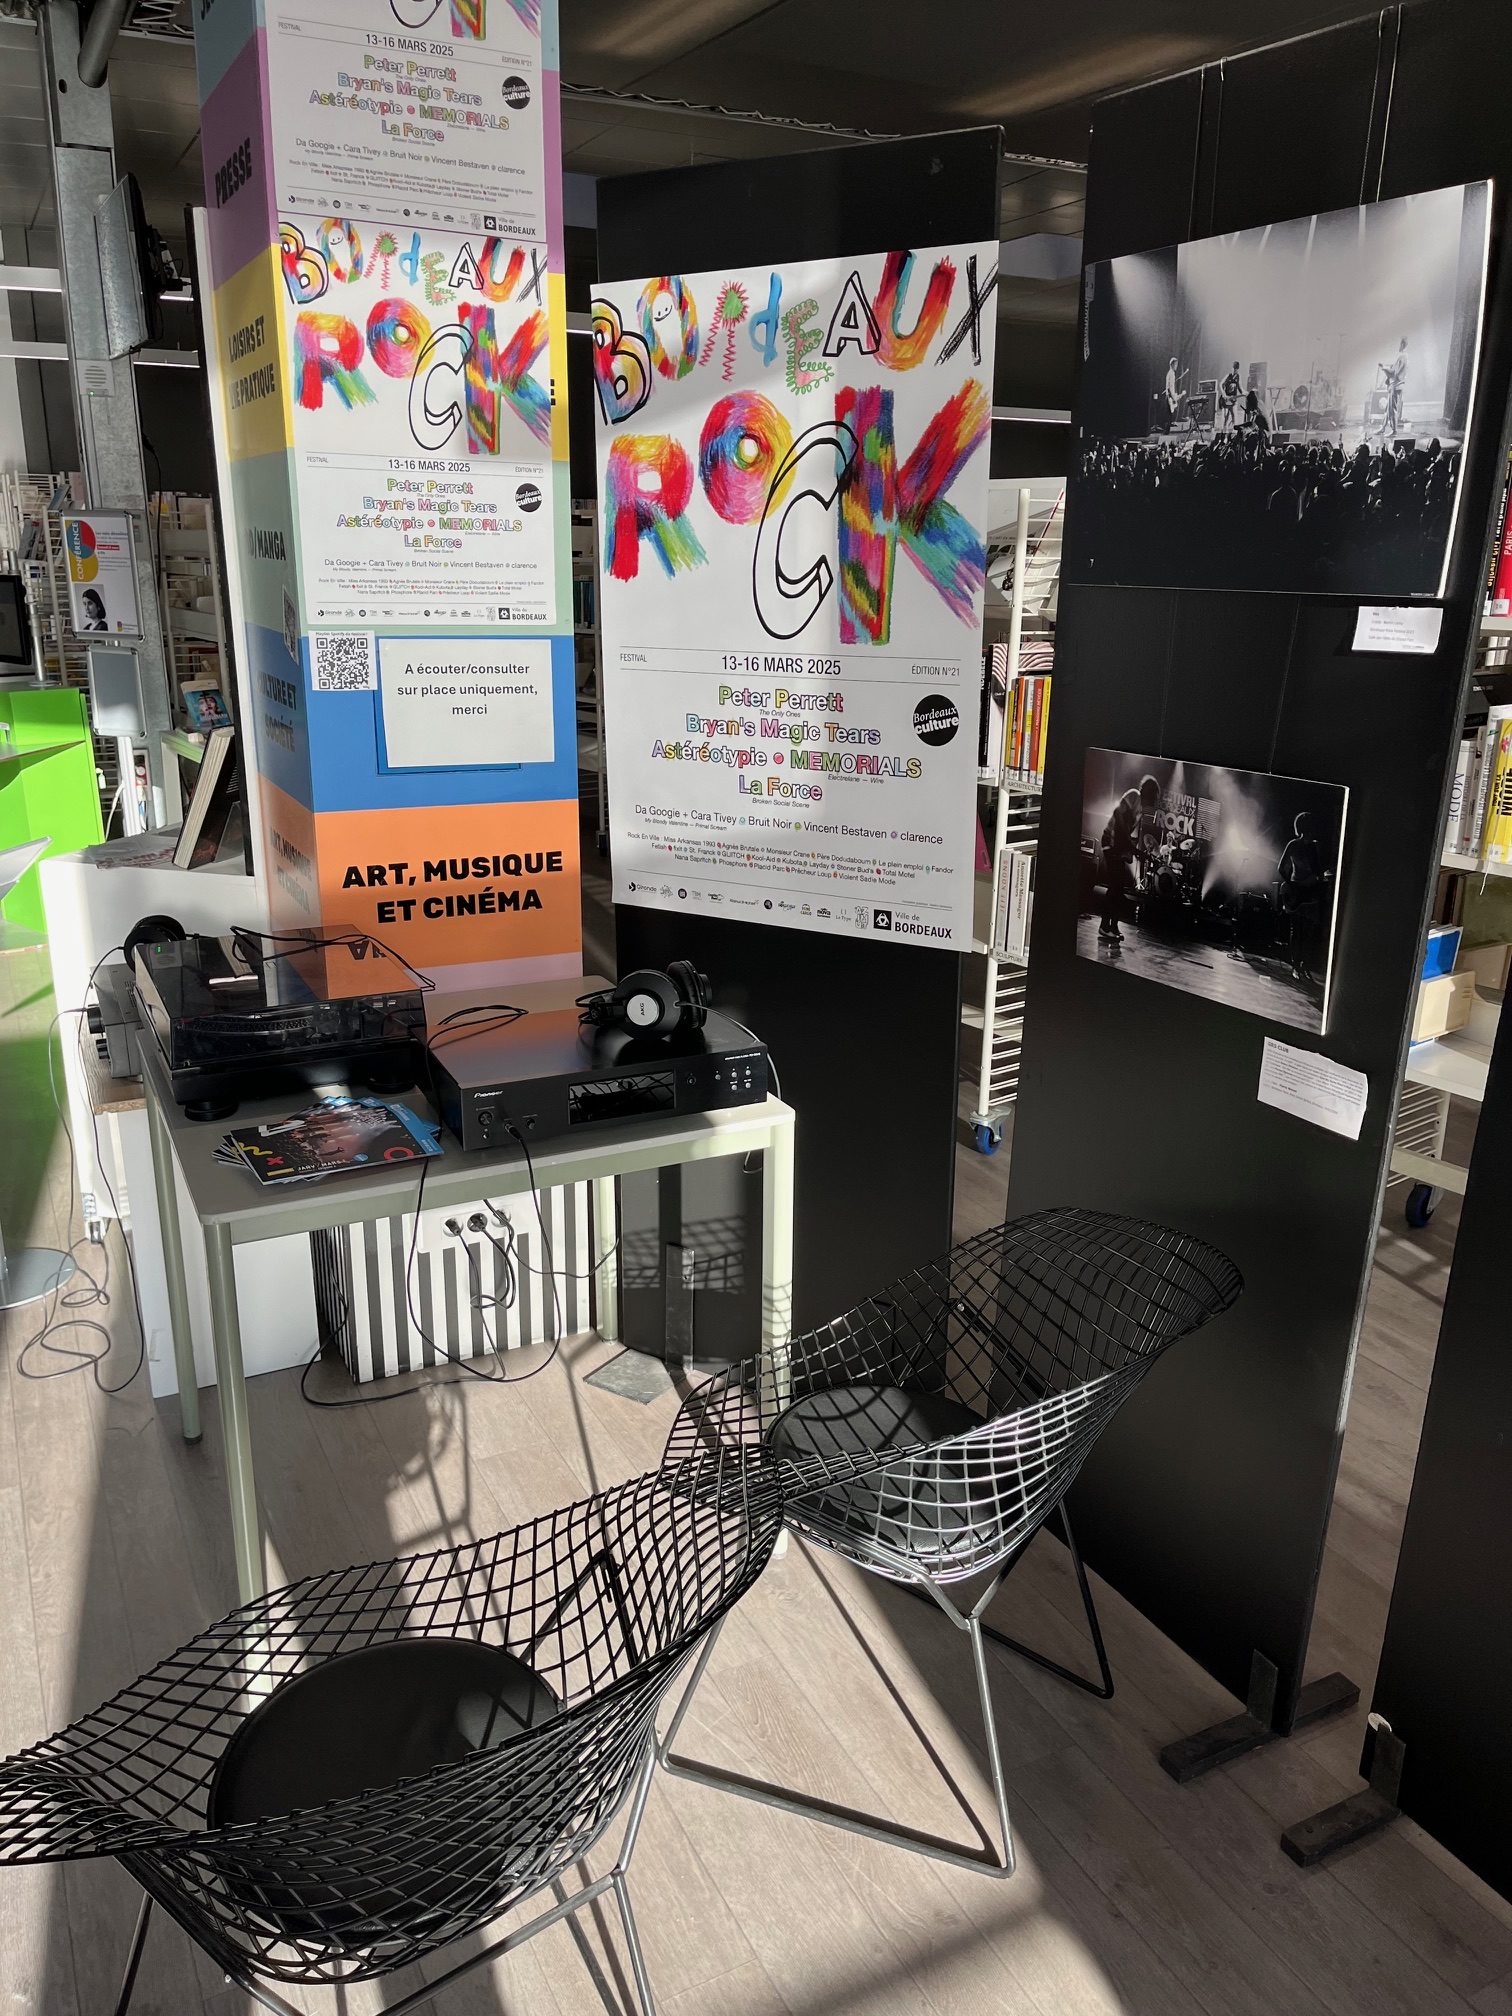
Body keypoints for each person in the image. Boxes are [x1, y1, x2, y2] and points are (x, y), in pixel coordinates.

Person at [1099, 774, 1161, 943]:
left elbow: (1127, 833)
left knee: (1118, 888)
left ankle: (1113, 927)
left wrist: (1132, 851)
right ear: (1148, 792)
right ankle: (1105, 926)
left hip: (1119, 847)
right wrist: (1130, 848)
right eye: (1153, 797)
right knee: (1115, 887)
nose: (1152, 802)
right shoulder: (1134, 795)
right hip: (1110, 842)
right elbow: (1118, 815)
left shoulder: (1140, 810)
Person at [1277, 811, 1325, 982]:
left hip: (1309, 891)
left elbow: (1318, 871)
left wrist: (1319, 876)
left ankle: (1302, 965)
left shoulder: (1313, 847)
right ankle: (1296, 965)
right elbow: (1281, 868)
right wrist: (1291, 885)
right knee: (1297, 930)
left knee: (1307, 931)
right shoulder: (1294, 844)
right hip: (1297, 891)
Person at [1218, 361, 1243, 432]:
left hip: (1233, 400)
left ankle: (1232, 433)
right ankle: (1223, 432)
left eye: (1236, 369)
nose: (1235, 370)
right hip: (1226, 399)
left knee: (1234, 417)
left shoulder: (1238, 376)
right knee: (1226, 417)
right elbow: (1221, 384)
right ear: (1232, 368)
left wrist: (1245, 393)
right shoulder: (1228, 376)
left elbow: (1240, 388)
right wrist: (1223, 394)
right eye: (1234, 368)